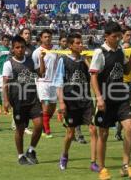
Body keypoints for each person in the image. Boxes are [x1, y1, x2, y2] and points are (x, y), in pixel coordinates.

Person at [89, 21, 131, 180]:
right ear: (106, 36)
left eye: (119, 36)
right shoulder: (99, 52)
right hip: (105, 98)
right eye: (114, 36)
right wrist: (99, 98)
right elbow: (93, 76)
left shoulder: (120, 51)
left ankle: (125, 165)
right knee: (103, 134)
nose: (118, 39)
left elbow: (125, 70)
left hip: (121, 97)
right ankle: (102, 168)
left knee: (130, 128)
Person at [54, 33, 99, 172]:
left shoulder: (85, 60)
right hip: (70, 101)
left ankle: (93, 162)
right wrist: (61, 102)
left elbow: (94, 76)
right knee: (70, 134)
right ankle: (64, 156)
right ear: (70, 45)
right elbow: (59, 83)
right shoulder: (63, 60)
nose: (81, 45)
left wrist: (87, 61)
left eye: (81, 43)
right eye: (78, 43)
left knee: (92, 129)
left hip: (85, 100)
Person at [3, 35, 45, 165]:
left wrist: (41, 59)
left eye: (22, 47)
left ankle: (31, 150)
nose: (20, 49)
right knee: (20, 129)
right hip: (18, 101)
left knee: (39, 125)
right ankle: (21, 156)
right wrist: (5, 100)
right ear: (13, 49)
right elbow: (5, 83)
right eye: (17, 47)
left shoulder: (31, 60)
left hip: (33, 99)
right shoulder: (8, 63)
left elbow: (41, 73)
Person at [32, 29, 58, 138]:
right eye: (45, 37)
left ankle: (43, 124)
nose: (47, 38)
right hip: (42, 82)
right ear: (41, 38)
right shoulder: (37, 52)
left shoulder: (56, 49)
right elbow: (37, 70)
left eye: (49, 36)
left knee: (52, 108)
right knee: (46, 107)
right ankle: (46, 131)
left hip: (55, 82)